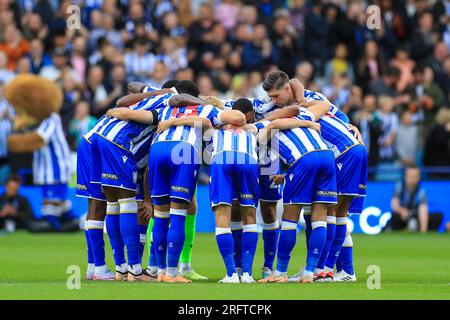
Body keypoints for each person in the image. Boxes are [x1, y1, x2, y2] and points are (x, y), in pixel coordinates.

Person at [256, 103, 336, 283]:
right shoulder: (304, 116)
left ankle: (280, 272)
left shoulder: (263, 124)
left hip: (302, 160)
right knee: (320, 218)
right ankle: (309, 272)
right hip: (326, 157)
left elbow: (262, 131)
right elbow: (325, 105)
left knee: (290, 219)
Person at [208, 98, 260, 284]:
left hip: (222, 158)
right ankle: (246, 274)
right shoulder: (253, 129)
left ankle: (231, 274)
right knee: (250, 217)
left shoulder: (214, 127)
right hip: (248, 160)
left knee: (223, 216)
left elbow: (205, 118)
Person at [389, 166, 443, 233]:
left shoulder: (421, 191)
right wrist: (401, 211)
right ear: (405, 177)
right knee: (395, 216)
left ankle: (417, 230)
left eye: (415, 176)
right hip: (403, 216)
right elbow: (394, 205)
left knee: (438, 216)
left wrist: (423, 231)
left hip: (416, 216)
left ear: (419, 177)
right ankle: (403, 230)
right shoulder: (399, 187)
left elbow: (423, 209)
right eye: (410, 176)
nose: (413, 179)